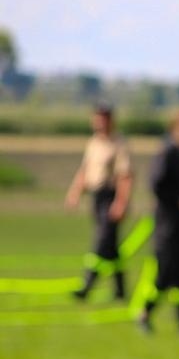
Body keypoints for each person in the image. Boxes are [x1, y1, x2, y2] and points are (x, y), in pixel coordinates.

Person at [137, 108, 179, 334]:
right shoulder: (168, 153)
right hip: (168, 226)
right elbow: (157, 184)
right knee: (165, 273)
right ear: (175, 129)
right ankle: (145, 313)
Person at [64, 102, 133, 301]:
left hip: (110, 197)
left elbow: (125, 175)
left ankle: (87, 284)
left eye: (104, 118)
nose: (100, 122)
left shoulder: (118, 143)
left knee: (102, 240)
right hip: (96, 197)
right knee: (111, 247)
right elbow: (85, 170)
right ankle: (120, 290)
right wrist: (75, 192)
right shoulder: (94, 142)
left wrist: (121, 202)